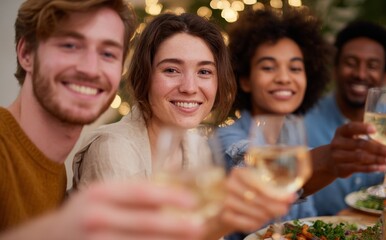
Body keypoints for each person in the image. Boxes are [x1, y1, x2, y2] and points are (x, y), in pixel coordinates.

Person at [72, 12, 296, 240]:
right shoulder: (114, 150)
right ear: (145, 75)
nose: (190, 87)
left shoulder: (197, 145)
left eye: (204, 72)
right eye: (171, 70)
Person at [0, 1, 211, 239]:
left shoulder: (50, 167)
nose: (91, 69)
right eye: (70, 46)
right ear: (26, 53)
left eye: (108, 53)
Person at [216, 8, 386, 239]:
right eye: (268, 67)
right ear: (245, 80)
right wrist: (329, 159)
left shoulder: (296, 135)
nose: (284, 77)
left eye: (295, 68)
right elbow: (253, 169)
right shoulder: (224, 138)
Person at [304, 20, 386, 215]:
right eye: (350, 63)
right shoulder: (304, 117)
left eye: (372, 65)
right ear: (335, 70)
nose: (360, 74)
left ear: (385, 75)